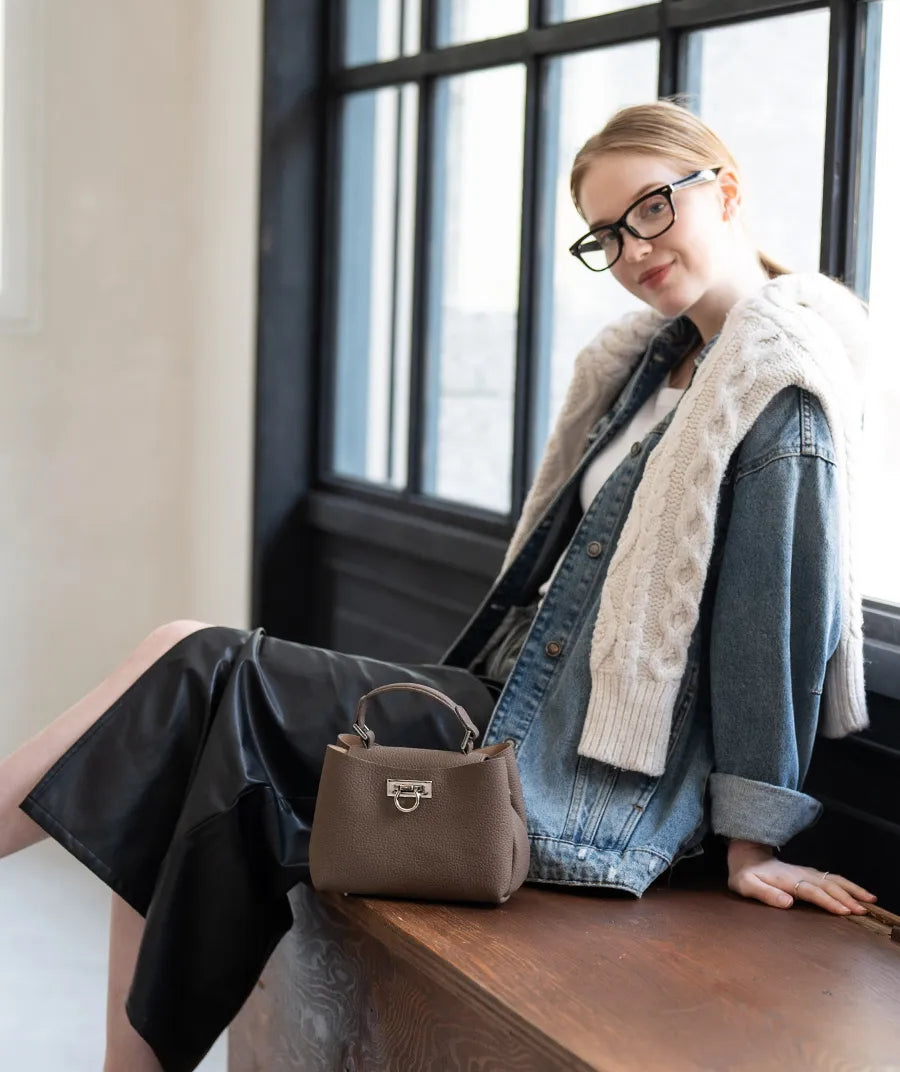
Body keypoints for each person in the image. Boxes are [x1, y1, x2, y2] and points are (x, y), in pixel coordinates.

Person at [0, 98, 879, 1072]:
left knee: (192, 657)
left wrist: (754, 842)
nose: (633, 250)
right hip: (518, 706)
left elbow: (774, 629)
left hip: (581, 776)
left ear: (726, 188)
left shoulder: (776, 388)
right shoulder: (654, 366)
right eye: (605, 236)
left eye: (650, 211)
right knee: (176, 709)